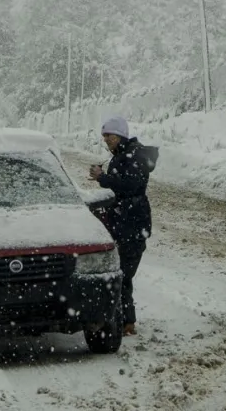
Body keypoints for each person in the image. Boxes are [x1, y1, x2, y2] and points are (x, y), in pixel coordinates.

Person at [88, 116, 158, 336]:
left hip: (132, 224)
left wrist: (103, 178)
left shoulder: (133, 155)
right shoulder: (123, 155)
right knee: (121, 274)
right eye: (104, 136)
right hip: (125, 223)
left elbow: (130, 185)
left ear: (119, 135)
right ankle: (125, 321)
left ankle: (124, 322)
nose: (106, 140)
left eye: (108, 135)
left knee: (122, 274)